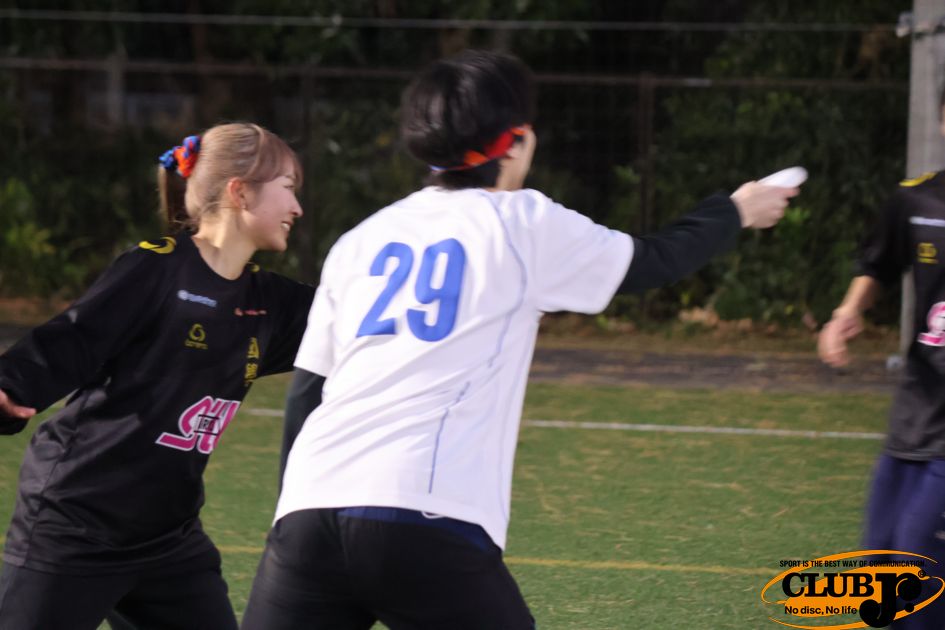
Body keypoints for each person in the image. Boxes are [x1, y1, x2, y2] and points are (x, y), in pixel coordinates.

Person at [242, 49, 798, 630]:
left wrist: (291, 510)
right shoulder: (522, 222)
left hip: (308, 511)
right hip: (426, 512)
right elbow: (652, 261)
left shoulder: (360, 240)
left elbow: (308, 390)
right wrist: (735, 210)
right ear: (517, 141)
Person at [0, 122, 316, 630]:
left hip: (168, 540)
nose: (297, 207)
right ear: (239, 192)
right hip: (79, 523)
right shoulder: (157, 269)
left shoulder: (271, 303)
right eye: (288, 187)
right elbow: (76, 336)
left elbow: (355, 319)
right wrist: (12, 385)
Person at [818, 106, 945, 627]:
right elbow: (878, 263)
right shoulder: (916, 200)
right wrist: (847, 311)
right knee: (880, 558)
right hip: (917, 404)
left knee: (918, 558)